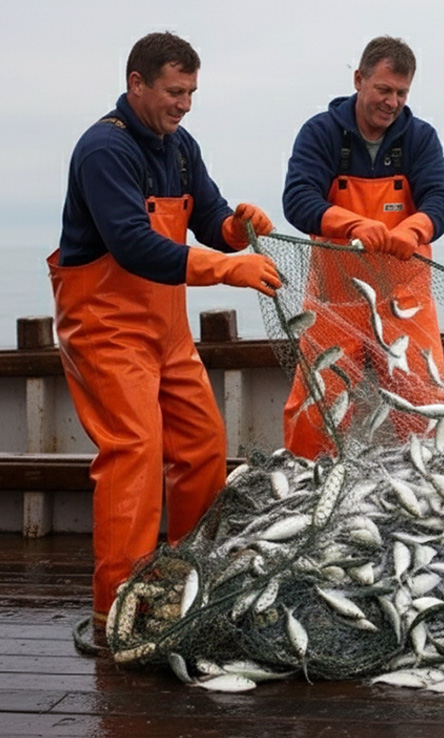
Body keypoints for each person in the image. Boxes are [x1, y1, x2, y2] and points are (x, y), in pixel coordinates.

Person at [48, 31, 282, 635]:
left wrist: (237, 228)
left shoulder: (180, 147)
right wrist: (231, 268)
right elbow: (132, 245)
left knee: (203, 444)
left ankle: (186, 576)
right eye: (175, 92)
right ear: (138, 85)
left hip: (167, 332)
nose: (184, 104)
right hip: (106, 328)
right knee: (134, 452)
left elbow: (207, 218)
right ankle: (116, 608)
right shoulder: (105, 148)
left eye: (192, 93)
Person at [282, 35, 444, 459]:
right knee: (314, 417)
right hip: (333, 304)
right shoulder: (321, 133)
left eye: (401, 92)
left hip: (404, 304)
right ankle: (307, 491)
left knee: (426, 416)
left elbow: (441, 201)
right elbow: (298, 199)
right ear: (359, 80)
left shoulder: (419, 138)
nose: (392, 101)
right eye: (383, 89)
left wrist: (414, 228)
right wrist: (354, 223)